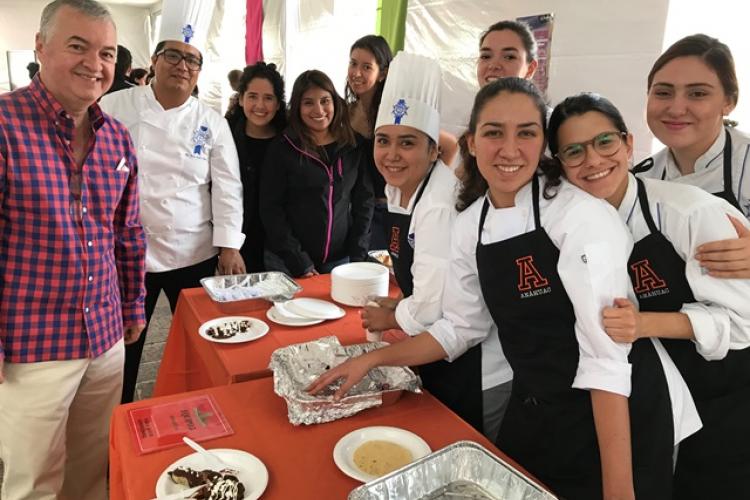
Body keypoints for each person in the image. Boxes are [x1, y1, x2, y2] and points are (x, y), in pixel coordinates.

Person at [311, 77, 669, 499]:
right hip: (536, 402)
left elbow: (606, 362)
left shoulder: (581, 219)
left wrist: (619, 491)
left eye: (527, 133)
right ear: (472, 143)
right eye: (494, 132)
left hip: (616, 417)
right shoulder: (471, 224)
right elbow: (461, 328)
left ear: (543, 143)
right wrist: (374, 359)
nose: (510, 149)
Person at [548, 92, 750, 500]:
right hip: (645, 390)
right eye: (574, 151)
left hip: (720, 392)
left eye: (604, 142)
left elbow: (743, 323)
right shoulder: (569, 222)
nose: (592, 160)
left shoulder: (687, 212)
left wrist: (643, 324)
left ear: (627, 144)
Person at [0, 1, 146, 498]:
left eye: (106, 53)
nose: (94, 64)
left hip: (104, 337)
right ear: (40, 47)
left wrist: (132, 305)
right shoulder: (5, 127)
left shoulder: (116, 139)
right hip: (30, 347)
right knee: (32, 480)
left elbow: (127, 233)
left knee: (92, 471)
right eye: (77, 46)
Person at [100, 0, 245, 404]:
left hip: (193, 250)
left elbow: (227, 186)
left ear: (200, 71)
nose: (182, 66)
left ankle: (201, 409)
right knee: (124, 349)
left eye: (192, 61)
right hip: (128, 254)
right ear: (155, 60)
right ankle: (118, 421)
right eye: (174, 56)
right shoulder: (113, 108)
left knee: (202, 343)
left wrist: (230, 245)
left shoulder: (212, 121)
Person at [360, 52, 508, 440]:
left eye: (407, 143)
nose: (392, 154)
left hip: (473, 362)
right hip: (438, 346)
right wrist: (400, 305)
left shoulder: (439, 203)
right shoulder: (401, 189)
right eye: (383, 141)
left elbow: (432, 309)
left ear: (432, 150)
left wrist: (392, 317)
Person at [634, 34, 750, 278]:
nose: (676, 109)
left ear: (728, 102)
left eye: (698, 94)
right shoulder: (642, 179)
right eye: (663, 93)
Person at [260, 69, 374, 277]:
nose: (318, 110)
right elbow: (271, 209)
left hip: (340, 261)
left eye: (324, 101)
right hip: (288, 262)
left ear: (335, 102)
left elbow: (364, 203)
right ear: (297, 106)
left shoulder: (353, 144)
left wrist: (358, 257)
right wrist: (299, 261)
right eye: (308, 102)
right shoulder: (283, 148)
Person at [228, 62, 287, 272]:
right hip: (238, 240)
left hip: (281, 244)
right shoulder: (225, 137)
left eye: (268, 98)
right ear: (241, 98)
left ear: (279, 103)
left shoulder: (290, 141)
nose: (260, 105)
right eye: (253, 96)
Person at [345, 34, 393, 250]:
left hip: (384, 212)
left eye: (366, 67)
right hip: (350, 213)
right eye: (353, 63)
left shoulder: (392, 115)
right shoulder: (345, 113)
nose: (356, 73)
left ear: (382, 73)